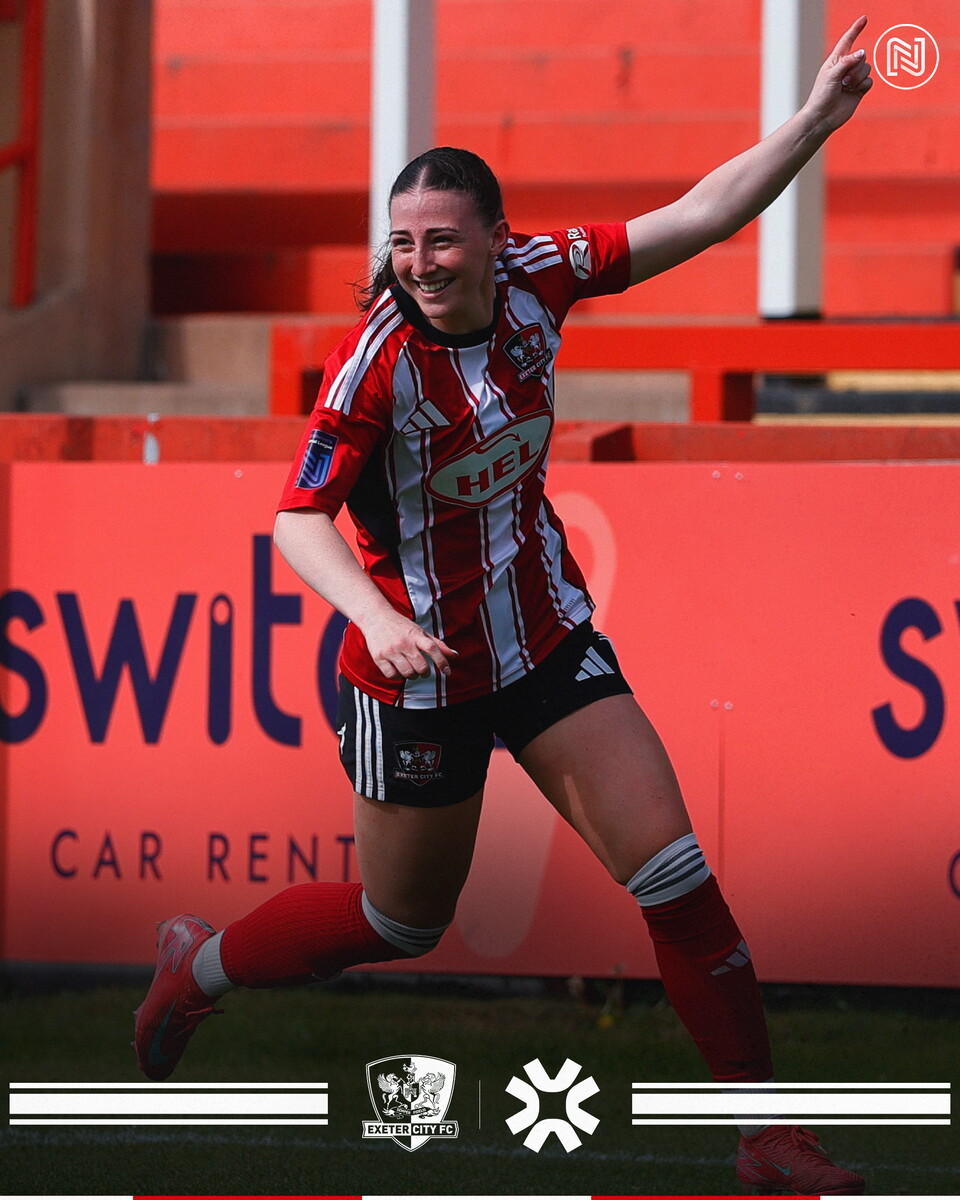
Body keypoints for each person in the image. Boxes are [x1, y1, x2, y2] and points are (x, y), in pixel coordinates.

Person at [134, 17, 872, 1193]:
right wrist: (374, 620)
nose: (419, 261)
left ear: (495, 240)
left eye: (440, 240)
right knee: (401, 924)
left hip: (542, 646)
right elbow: (296, 521)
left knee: (675, 873)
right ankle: (198, 969)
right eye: (402, 243)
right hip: (415, 673)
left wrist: (815, 121)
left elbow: (700, 216)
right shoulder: (374, 362)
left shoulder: (547, 275)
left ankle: (770, 1137)